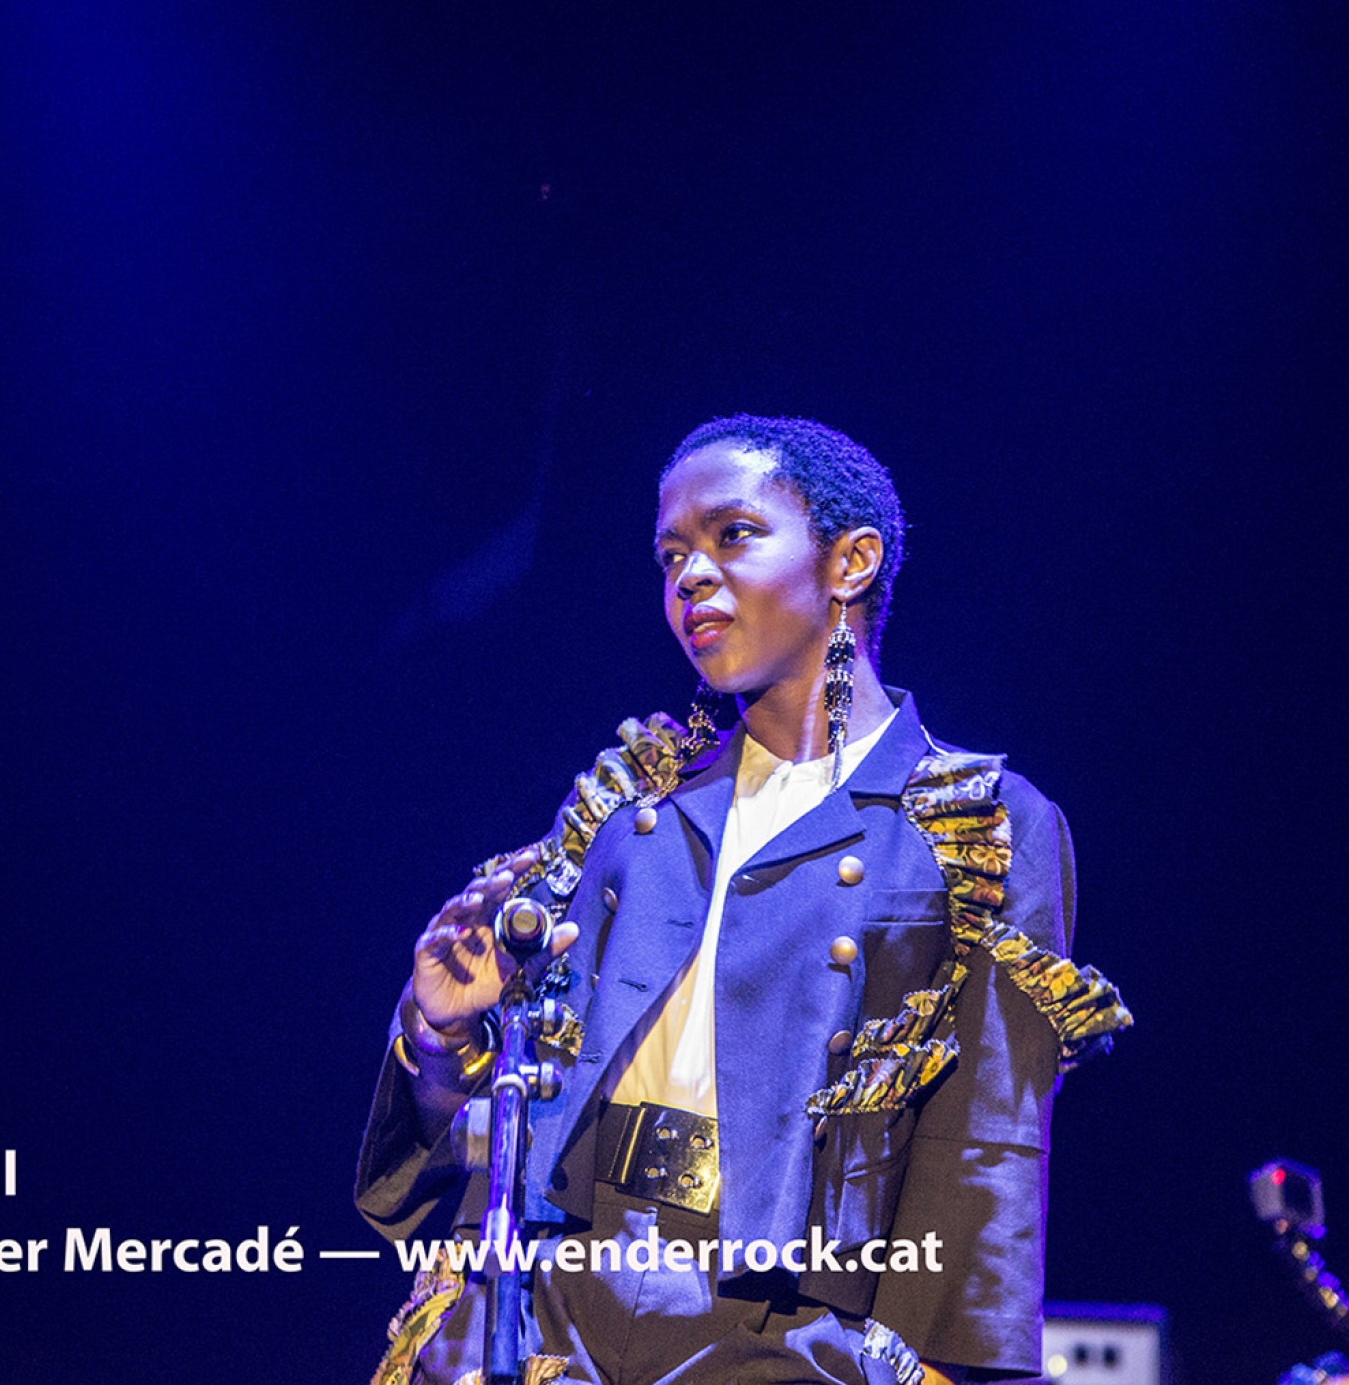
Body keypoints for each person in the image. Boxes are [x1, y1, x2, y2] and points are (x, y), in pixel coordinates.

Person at [357, 416, 1130, 1385]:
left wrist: (944, 1369)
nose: (689, 575)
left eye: (731, 535)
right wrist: (439, 1034)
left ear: (849, 562)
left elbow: (985, 1141)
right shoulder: (631, 800)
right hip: (548, 1299)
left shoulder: (975, 821)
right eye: (670, 553)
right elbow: (490, 1124)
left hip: (780, 1326)